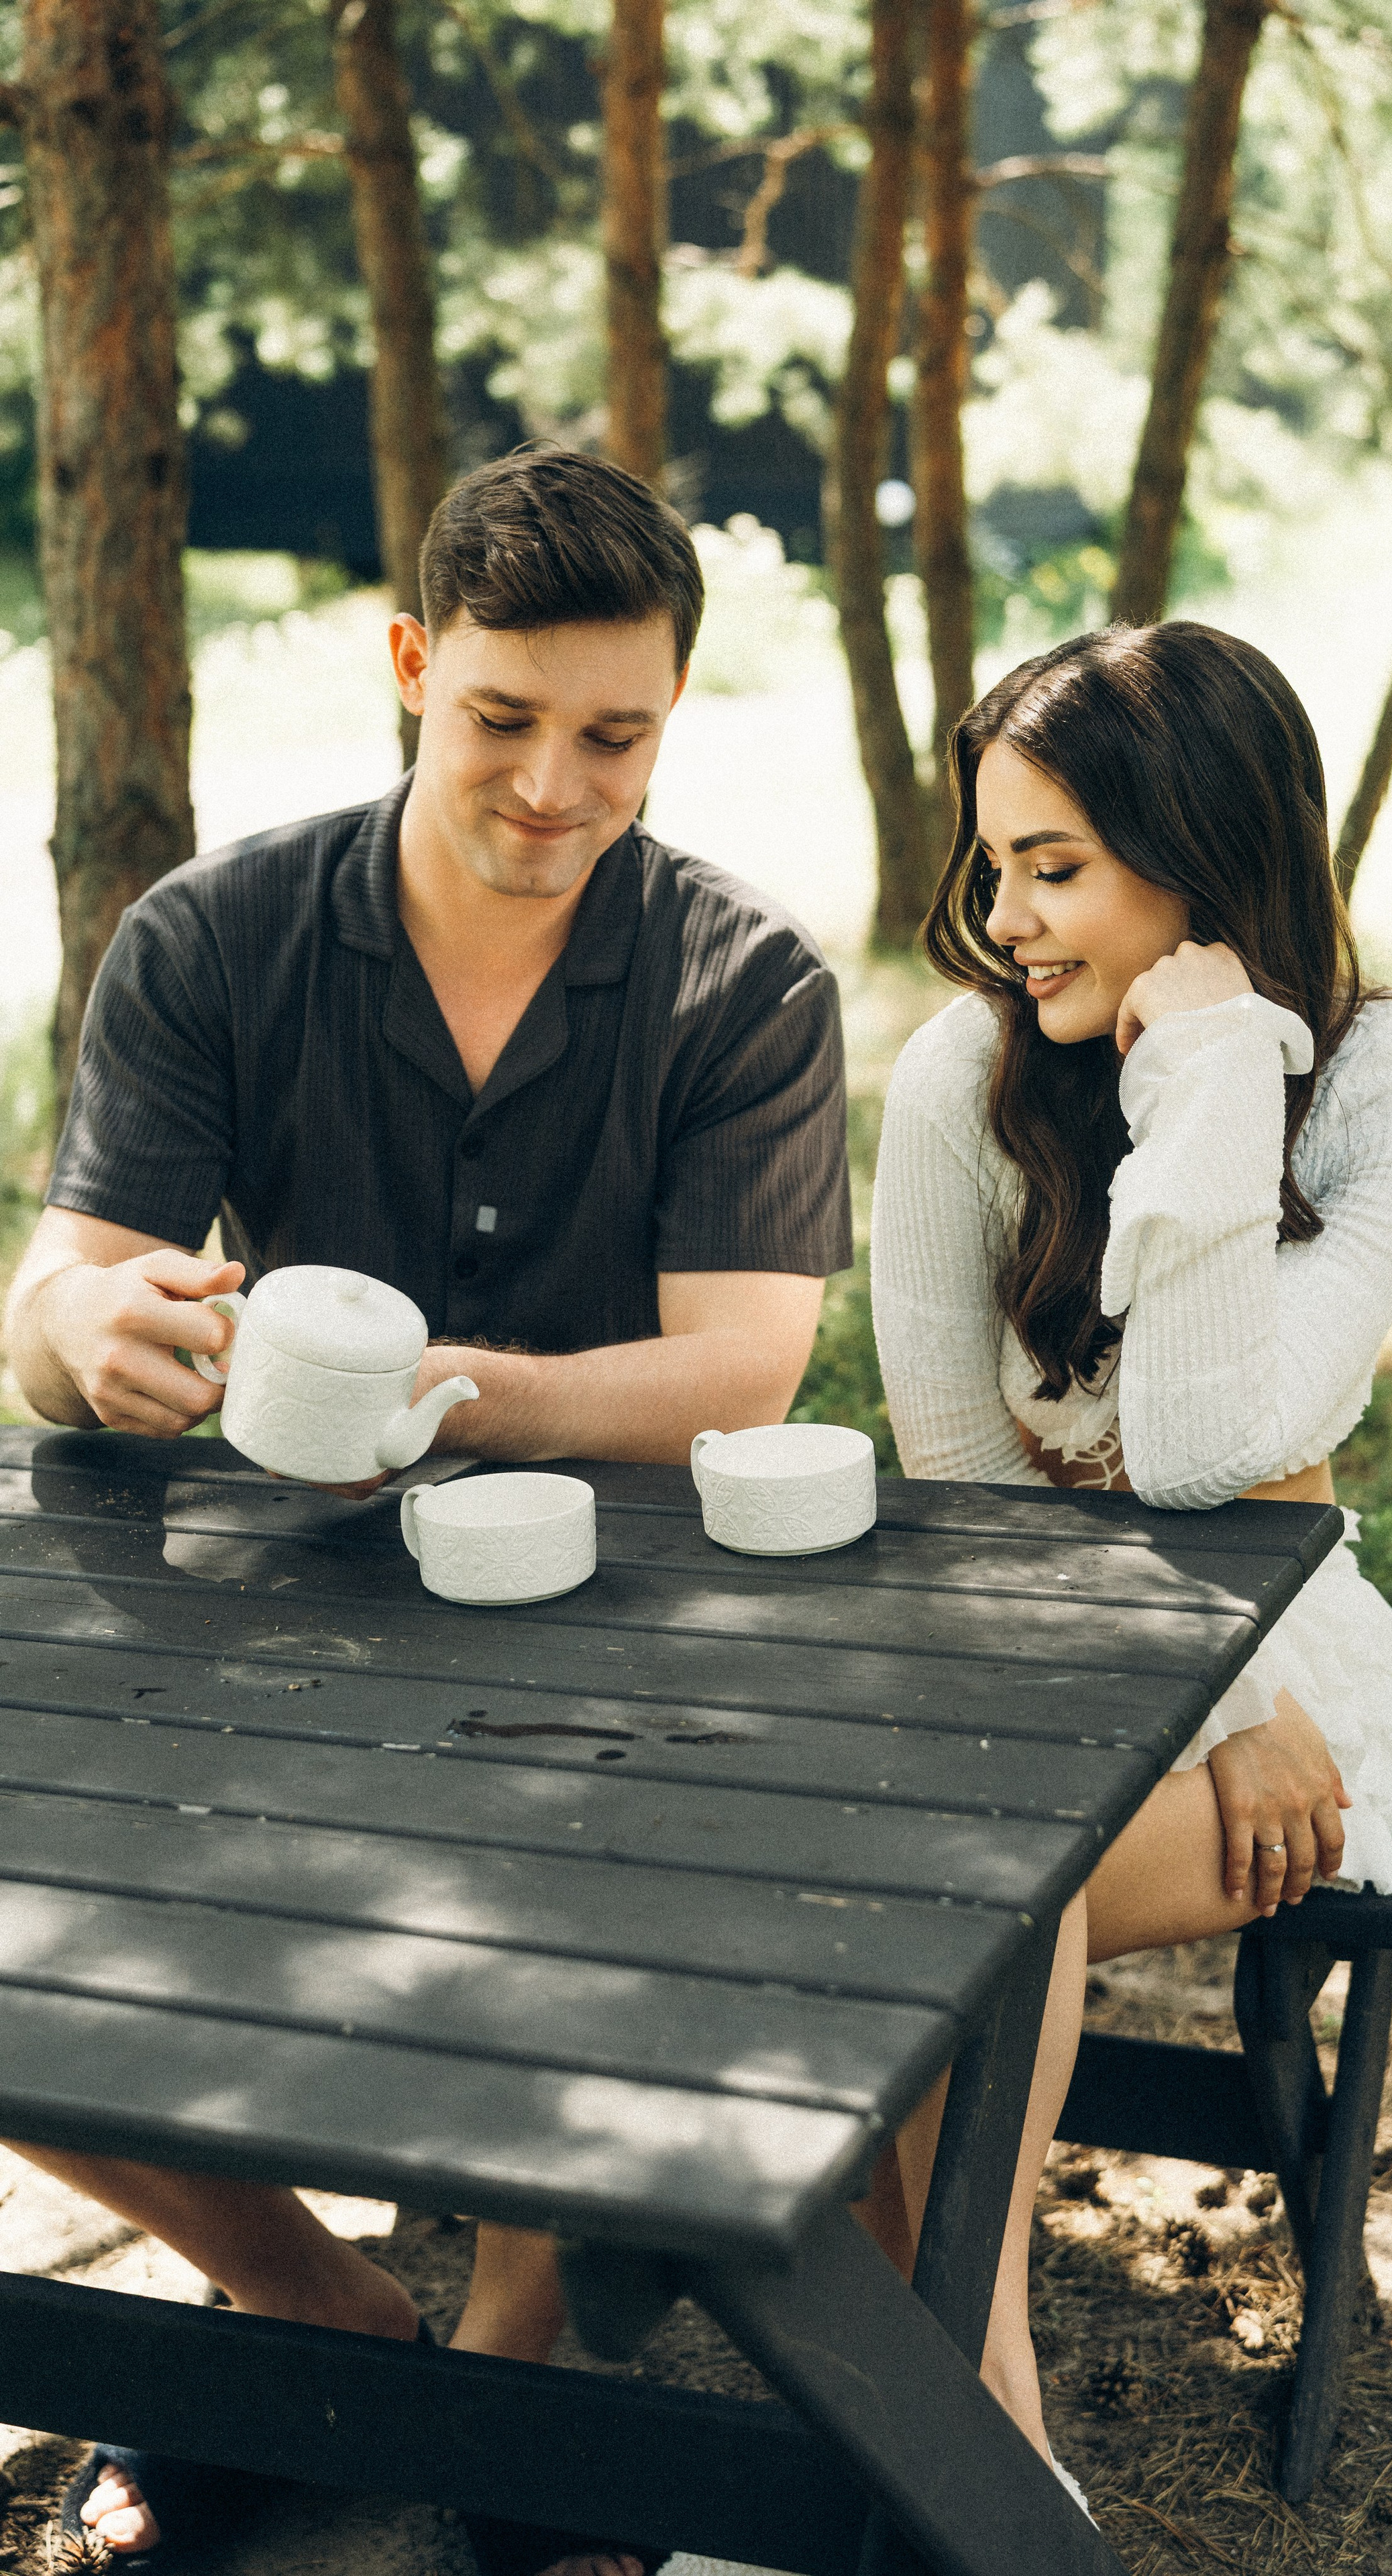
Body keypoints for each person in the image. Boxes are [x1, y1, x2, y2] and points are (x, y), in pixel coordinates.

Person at [3, 446, 853, 2576]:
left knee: (614, 1882)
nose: (555, 785)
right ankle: (302, 2292)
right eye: (502, 719)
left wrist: (452, 1404)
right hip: (261, 1593)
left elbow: (743, 1370)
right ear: (410, 666)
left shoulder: (747, 984)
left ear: (670, 716)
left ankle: (512, 2357)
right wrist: (96, 1334)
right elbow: (60, 1289)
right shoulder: (212, 934)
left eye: (614, 736)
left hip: (630, 1617)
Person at [868, 620, 1392, 2484]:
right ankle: (973, 2457)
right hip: (1024, 1661)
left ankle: (956, 2466)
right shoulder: (955, 1088)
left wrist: (1219, 1071)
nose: (1008, 919)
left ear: (1208, 864)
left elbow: (1221, 1451)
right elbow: (971, 1495)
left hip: (1294, 1679)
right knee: (914, 1878)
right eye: (994, 866)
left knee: (979, 1903)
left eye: (1055, 869)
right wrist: (1198, 1716)